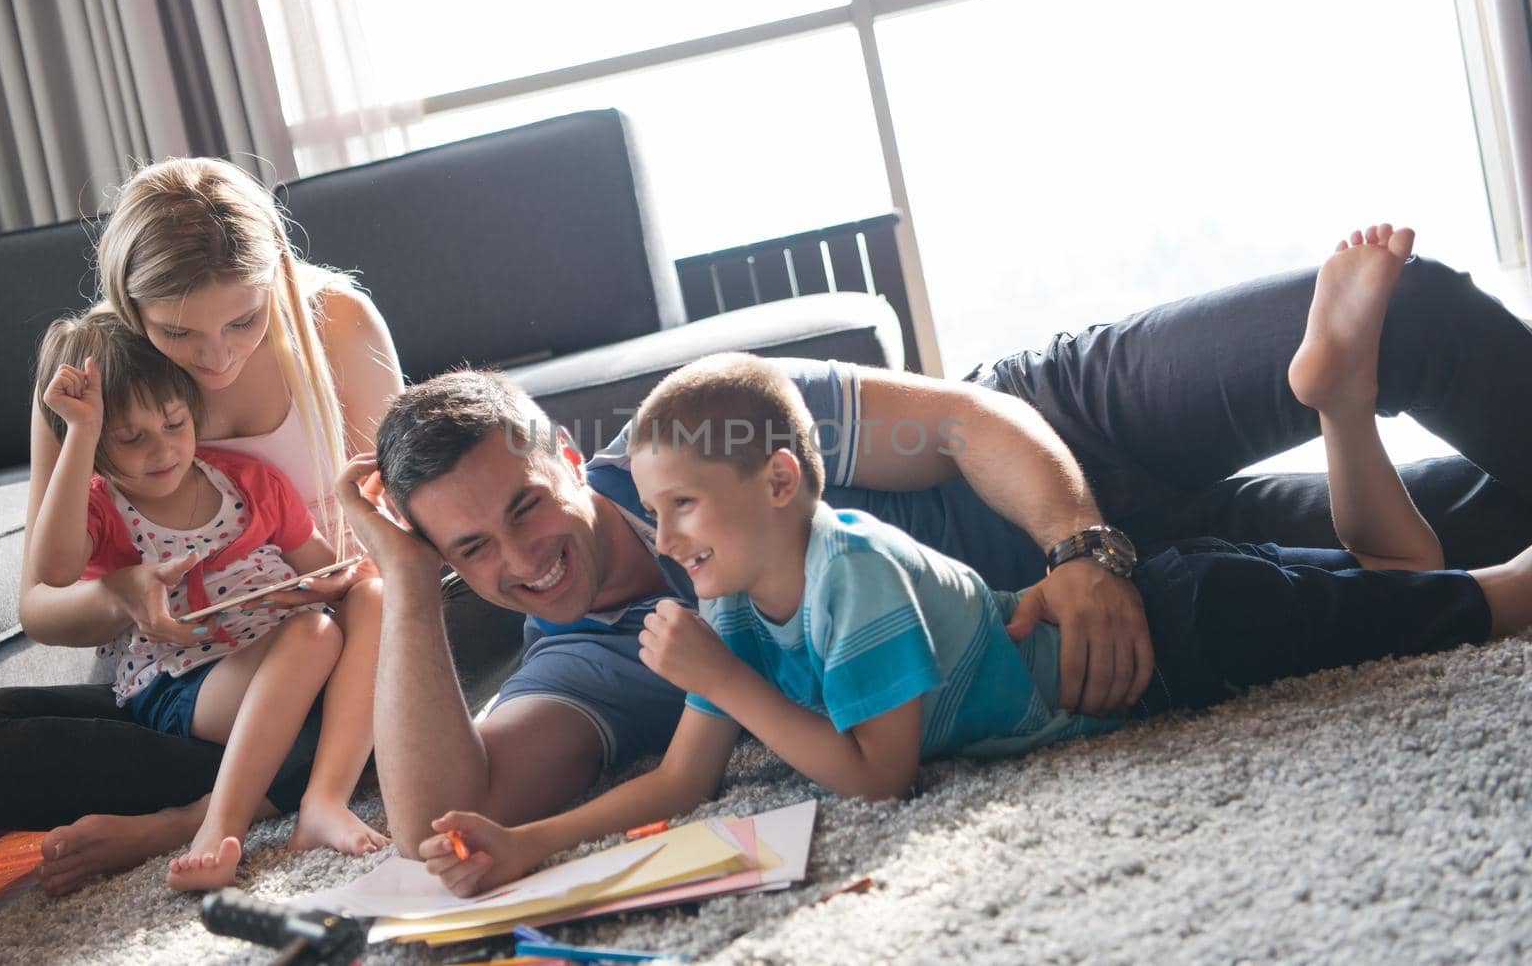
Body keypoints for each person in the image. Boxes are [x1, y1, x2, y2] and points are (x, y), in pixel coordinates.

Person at [337, 222, 1532, 868]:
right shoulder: (608, 659)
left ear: (559, 452)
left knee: (1406, 315)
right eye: (471, 554)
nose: (520, 560)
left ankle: (1325, 402)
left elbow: (963, 422)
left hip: (1072, 444)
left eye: (525, 509)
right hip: (1152, 609)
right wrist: (400, 580)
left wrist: (1080, 549)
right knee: (1456, 552)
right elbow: (440, 818)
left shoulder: (696, 431)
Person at [0, 158, 404, 894]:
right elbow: (41, 606)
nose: (217, 357)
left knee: (419, 627)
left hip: (346, 645)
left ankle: (193, 815)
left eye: (244, 319)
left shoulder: (335, 322)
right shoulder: (88, 381)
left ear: (275, 274)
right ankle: (286, 775)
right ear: (131, 304)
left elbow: (408, 527)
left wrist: (341, 582)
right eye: (179, 332)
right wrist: (121, 593)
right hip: (190, 677)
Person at [30, 310, 388, 889]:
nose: (162, 450)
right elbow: (53, 569)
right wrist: (79, 435)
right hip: (186, 683)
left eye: (174, 424)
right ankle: (219, 826)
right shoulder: (101, 505)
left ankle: (325, 800)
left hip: (285, 664)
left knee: (369, 594)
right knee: (313, 634)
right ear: (98, 445)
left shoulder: (248, 482)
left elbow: (329, 569)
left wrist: (332, 580)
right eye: (130, 438)